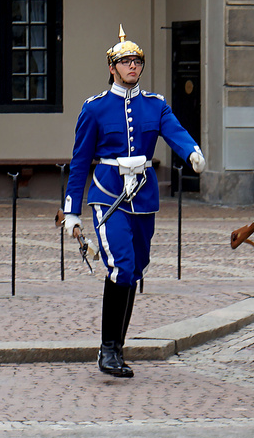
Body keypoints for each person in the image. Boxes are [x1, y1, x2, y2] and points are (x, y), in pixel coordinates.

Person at [64, 27, 205, 379]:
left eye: (136, 61)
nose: (132, 66)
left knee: (136, 267)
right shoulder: (95, 108)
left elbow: (176, 132)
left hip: (142, 194)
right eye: (125, 61)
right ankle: (108, 348)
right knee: (121, 267)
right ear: (112, 67)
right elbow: (80, 161)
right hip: (108, 193)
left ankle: (118, 345)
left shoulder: (155, 105)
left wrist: (192, 152)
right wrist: (71, 209)